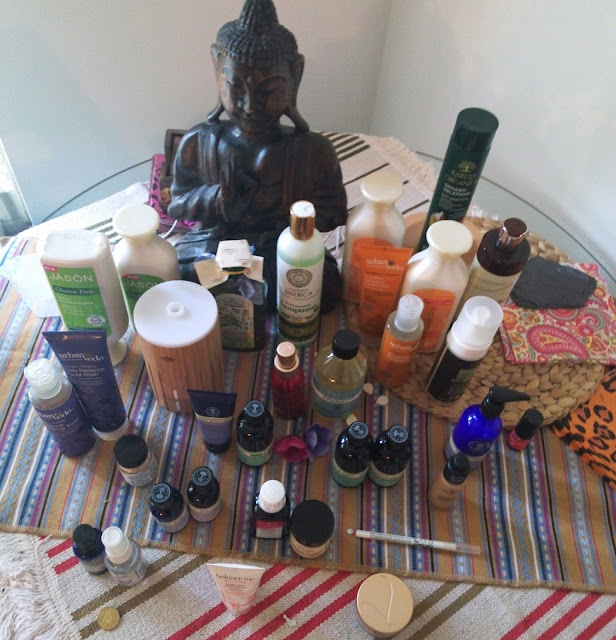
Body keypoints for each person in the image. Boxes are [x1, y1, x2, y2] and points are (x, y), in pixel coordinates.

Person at [169, 0, 348, 310]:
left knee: (325, 283)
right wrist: (217, 198)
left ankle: (240, 298)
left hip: (281, 246)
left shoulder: (313, 150)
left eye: (268, 90)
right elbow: (177, 204)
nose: (250, 106)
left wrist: (287, 209)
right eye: (235, 87)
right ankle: (251, 299)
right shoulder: (199, 142)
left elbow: (335, 213)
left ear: (295, 77)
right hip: (217, 245)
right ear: (216, 70)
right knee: (178, 272)